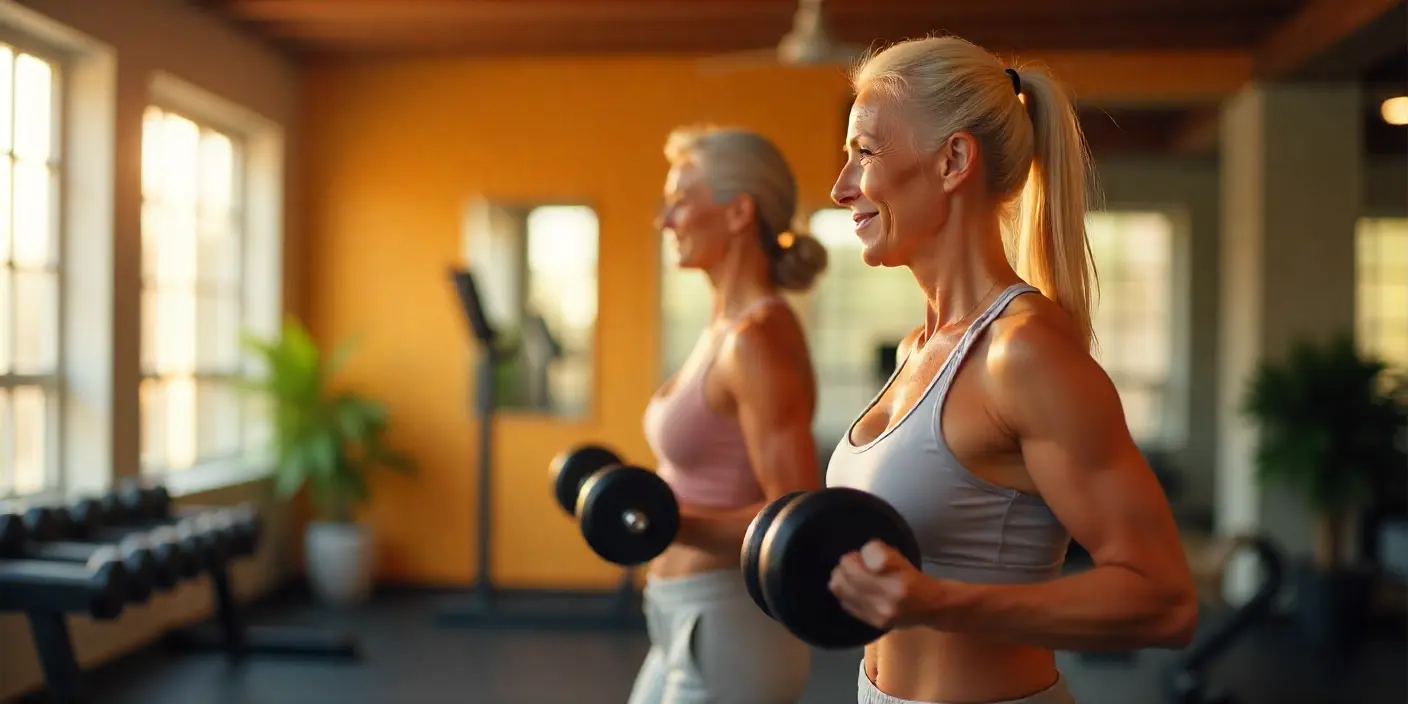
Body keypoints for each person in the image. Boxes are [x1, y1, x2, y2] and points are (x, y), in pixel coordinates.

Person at [821, 36, 1198, 704]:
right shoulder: (918, 349)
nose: (841, 187)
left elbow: (1163, 600)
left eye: (864, 153)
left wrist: (938, 602)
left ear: (953, 161)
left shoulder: (1022, 353)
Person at [628, 125, 829, 704]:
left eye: (681, 201)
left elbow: (796, 520)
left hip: (728, 621)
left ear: (739, 211)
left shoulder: (756, 340)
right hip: (678, 618)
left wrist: (659, 519)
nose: (666, 221)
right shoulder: (723, 328)